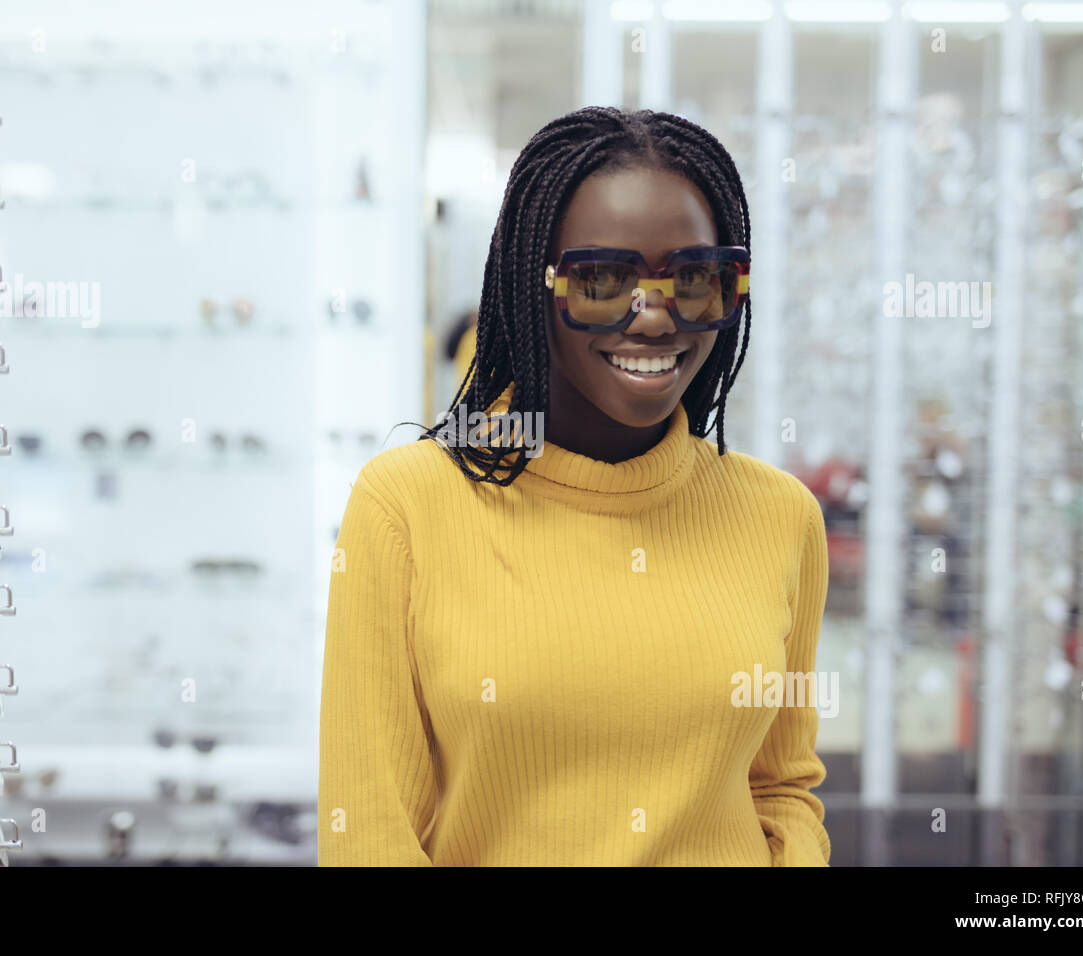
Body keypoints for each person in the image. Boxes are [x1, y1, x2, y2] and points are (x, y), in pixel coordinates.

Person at [318, 106, 832, 866]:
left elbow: (782, 788)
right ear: (534, 288)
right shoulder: (407, 506)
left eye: (695, 279)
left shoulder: (779, 516)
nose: (654, 318)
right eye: (602, 280)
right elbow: (369, 833)